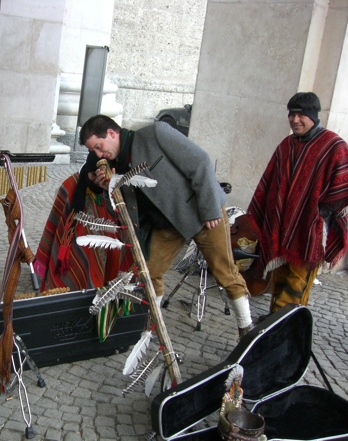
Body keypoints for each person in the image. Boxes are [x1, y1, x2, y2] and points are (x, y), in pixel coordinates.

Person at [80, 114, 254, 337]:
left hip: (201, 214)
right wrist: (110, 188)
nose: (98, 154)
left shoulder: (156, 132)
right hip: (165, 225)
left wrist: (210, 208)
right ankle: (152, 330)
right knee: (150, 273)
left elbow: (199, 161)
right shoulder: (115, 166)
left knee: (225, 272)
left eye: (98, 146)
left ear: (112, 134)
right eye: (94, 151)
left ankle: (246, 327)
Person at [248, 92, 348, 313]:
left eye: (301, 115)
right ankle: (275, 331)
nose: (295, 120)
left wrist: (318, 213)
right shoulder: (286, 145)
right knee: (279, 281)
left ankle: (284, 333)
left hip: (310, 234)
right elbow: (269, 184)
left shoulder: (332, 146)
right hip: (282, 231)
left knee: (295, 287)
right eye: (292, 114)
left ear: (313, 116)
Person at [35, 152, 133, 292]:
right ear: (87, 170)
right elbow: (55, 222)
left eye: (100, 177)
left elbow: (123, 221)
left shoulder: (114, 188)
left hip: (105, 250)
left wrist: (111, 191)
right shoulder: (70, 185)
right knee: (71, 280)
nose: (96, 181)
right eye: (93, 176)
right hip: (72, 250)